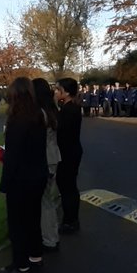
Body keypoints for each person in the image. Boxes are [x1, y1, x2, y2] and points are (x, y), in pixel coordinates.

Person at [0, 77, 48, 273]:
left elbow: (13, 156)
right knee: (33, 218)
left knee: (17, 222)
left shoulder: (17, 120)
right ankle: (35, 256)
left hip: (21, 179)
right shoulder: (38, 116)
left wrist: (5, 183)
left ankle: (20, 263)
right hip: (38, 175)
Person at [33, 79, 62, 252]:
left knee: (44, 201)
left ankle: (49, 239)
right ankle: (52, 235)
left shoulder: (41, 113)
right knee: (48, 200)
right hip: (53, 158)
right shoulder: (52, 110)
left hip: (44, 160)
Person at [55, 78, 84, 235]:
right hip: (71, 151)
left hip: (68, 153)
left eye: (58, 89)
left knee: (68, 187)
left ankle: (70, 221)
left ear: (65, 92)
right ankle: (71, 219)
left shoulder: (69, 110)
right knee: (68, 186)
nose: (56, 92)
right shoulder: (69, 107)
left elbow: (61, 131)